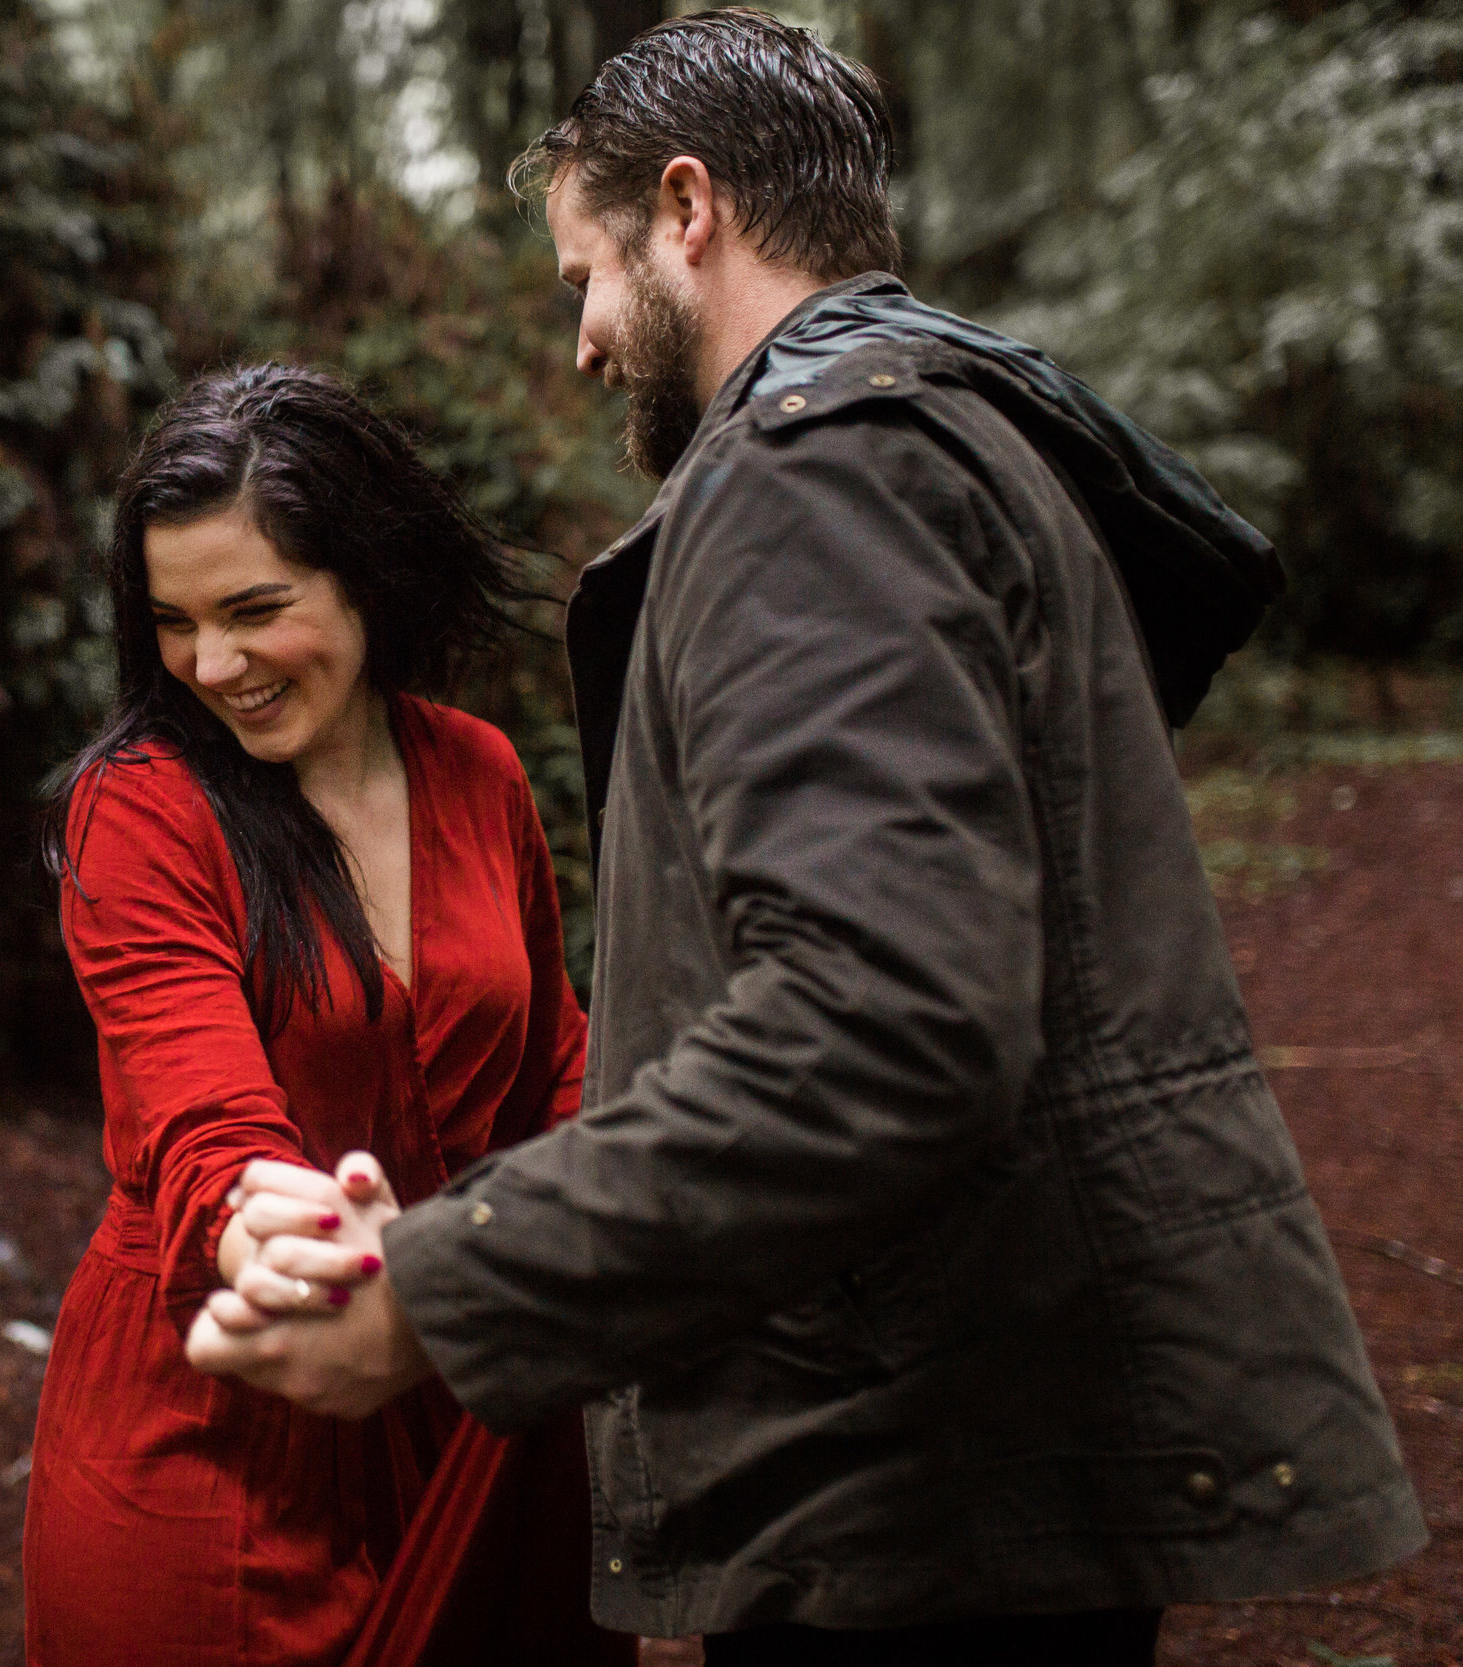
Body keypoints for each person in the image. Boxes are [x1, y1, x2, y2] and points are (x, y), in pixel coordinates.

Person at [190, 11, 1427, 1665]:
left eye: (584, 280)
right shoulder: (934, 442)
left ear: (686, 209)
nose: (582, 344)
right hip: (941, 1440)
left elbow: (882, 1020)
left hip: (907, 1473)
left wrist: (440, 1290)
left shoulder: (816, 478)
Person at [21, 363, 636, 1666]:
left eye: (255, 610)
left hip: (477, 1409)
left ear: (366, 575)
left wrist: (606, 1264)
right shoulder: (140, 807)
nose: (214, 664)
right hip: (221, 1417)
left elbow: (557, 1075)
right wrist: (290, 1242)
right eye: (176, 623)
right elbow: (200, 1116)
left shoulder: (479, 770)